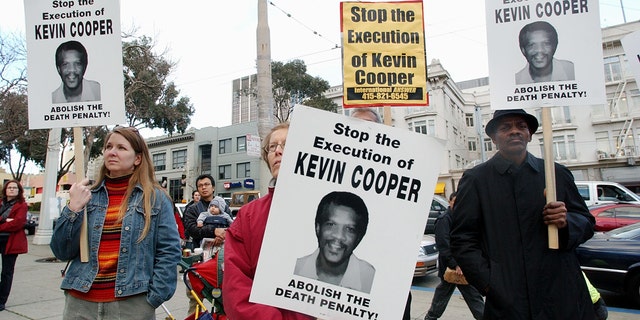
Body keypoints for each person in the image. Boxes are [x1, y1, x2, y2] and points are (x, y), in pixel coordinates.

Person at [450, 109, 596, 319]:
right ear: (493, 138)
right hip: (509, 302)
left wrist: (566, 222)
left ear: (529, 134)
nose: (514, 132)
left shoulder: (556, 174)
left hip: (561, 294)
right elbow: (462, 238)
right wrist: (491, 283)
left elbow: (587, 222)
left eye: (521, 126)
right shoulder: (476, 180)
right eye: (505, 127)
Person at [50, 126, 182, 320]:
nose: (112, 152)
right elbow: (61, 251)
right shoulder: (87, 196)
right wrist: (73, 209)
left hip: (131, 304)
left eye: (121, 148)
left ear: (137, 158)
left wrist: (153, 298)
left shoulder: (155, 198)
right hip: (80, 302)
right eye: (109, 146)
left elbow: (169, 251)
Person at [223, 123, 314, 319]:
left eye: (287, 144)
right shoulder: (248, 216)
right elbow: (236, 288)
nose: (278, 151)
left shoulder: (331, 211)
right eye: (272, 147)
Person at [350, 107, 412, 318]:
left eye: (371, 126)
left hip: (390, 278)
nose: (365, 132)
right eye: (357, 127)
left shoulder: (401, 169)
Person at [294, 191, 375, 294]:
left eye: (350, 229)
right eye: (331, 224)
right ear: (318, 228)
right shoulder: (295, 269)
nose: (339, 236)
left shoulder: (371, 279)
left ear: (359, 238)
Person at [424, 192, 484, 320]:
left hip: (461, 267)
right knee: (470, 297)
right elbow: (443, 246)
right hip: (452, 268)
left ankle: (430, 318)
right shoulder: (444, 220)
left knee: (446, 296)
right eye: (455, 202)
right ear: (450, 202)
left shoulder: (461, 218)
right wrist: (455, 264)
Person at [0, 180, 28, 312]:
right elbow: (10, 222)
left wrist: (2, 224)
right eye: (9, 187)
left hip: (10, 242)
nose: (11, 189)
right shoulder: (0, 203)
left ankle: (1, 300)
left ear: (19, 190)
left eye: (14, 188)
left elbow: (18, 223)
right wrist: (6, 220)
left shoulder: (22, 205)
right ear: (5, 190)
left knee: (6, 272)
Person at [183, 174, 227, 248]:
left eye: (206, 184)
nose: (203, 187)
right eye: (200, 186)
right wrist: (213, 231)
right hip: (200, 251)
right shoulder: (192, 209)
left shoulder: (224, 206)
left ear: (213, 188)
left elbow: (233, 225)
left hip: (223, 250)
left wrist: (222, 235)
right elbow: (192, 229)